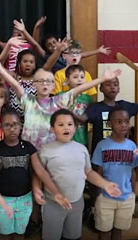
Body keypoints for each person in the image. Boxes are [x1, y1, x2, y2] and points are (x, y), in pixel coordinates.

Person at [0, 55, 121, 150]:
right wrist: (0, 69)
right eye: (41, 81)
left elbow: (80, 88)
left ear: (53, 85)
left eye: (49, 81)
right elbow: (15, 85)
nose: (45, 84)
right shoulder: (29, 100)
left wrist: (102, 79)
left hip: (52, 150)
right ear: (35, 84)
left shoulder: (59, 101)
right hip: (30, 150)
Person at [37, 109, 122, 240]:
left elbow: (88, 172)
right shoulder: (45, 150)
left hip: (76, 203)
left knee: (73, 236)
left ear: (75, 128)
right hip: (53, 203)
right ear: (52, 129)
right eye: (61, 125)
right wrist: (37, 189)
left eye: (70, 124)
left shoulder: (81, 149)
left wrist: (105, 184)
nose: (66, 128)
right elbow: (39, 174)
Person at [0, 110, 71, 239]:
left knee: (20, 234)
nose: (12, 129)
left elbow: (40, 171)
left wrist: (56, 192)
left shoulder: (28, 148)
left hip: (24, 200)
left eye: (15, 124)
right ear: (1, 127)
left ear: (21, 126)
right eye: (7, 125)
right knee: (4, 234)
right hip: (2, 200)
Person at [92, 107, 138, 240]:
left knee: (118, 230)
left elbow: (133, 171)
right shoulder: (102, 145)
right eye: (118, 122)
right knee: (104, 231)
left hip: (126, 196)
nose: (123, 125)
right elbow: (97, 172)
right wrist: (98, 194)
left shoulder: (132, 146)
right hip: (106, 197)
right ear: (110, 124)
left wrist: (133, 192)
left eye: (126, 121)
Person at [84, 77, 138, 152]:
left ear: (119, 89)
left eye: (115, 85)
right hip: (101, 153)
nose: (112, 87)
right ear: (101, 89)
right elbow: (82, 119)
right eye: (108, 84)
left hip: (123, 152)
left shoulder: (125, 106)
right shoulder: (95, 108)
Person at [57, 64, 93, 146]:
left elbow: (85, 119)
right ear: (66, 81)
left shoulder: (88, 99)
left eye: (82, 77)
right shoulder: (60, 96)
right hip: (63, 139)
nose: (79, 80)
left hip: (81, 139)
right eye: (75, 77)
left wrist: (69, 112)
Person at [8, 49, 37, 116]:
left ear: (35, 65)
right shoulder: (14, 78)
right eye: (25, 61)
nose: (28, 64)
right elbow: (1, 71)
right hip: (14, 119)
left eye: (31, 62)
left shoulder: (37, 79)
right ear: (19, 64)